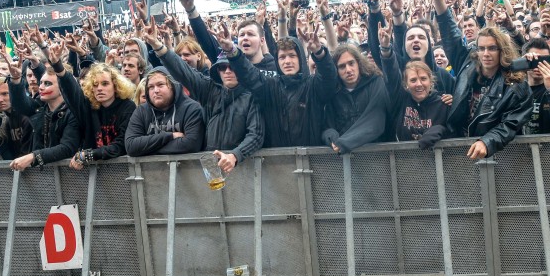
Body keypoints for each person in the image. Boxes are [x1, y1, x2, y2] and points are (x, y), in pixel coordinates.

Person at [427, 0, 532, 159]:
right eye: (482, 48)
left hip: (501, 156)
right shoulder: (466, 65)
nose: (486, 53)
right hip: (462, 152)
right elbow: (448, 26)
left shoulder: (516, 84)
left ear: (502, 51)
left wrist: (487, 141)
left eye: (492, 48)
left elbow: (511, 123)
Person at [141, 18, 264, 171]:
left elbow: (256, 134)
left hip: (243, 167)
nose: (227, 71)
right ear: (217, 70)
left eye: (232, 67)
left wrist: (235, 156)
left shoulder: (253, 95)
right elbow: (183, 71)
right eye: (222, 67)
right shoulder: (209, 90)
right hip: (211, 167)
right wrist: (157, 45)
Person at [219, 18, 338, 148]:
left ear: (301, 59)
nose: (287, 61)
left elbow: (329, 77)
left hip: (313, 161)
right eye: (282, 57)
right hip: (278, 163)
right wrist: (232, 51)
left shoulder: (313, 85)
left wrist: (319, 52)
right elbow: (248, 74)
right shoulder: (269, 86)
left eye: (292, 55)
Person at [48, 43, 135, 168]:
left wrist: (87, 155)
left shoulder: (128, 107)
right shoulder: (88, 107)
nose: (99, 88)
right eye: (95, 85)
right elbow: (72, 92)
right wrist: (58, 66)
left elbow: (120, 146)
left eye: (105, 84)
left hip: (123, 172)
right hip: (94, 174)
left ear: (115, 86)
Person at [378, 24, 450, 148]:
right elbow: (391, 72)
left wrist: (453, 103)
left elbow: (455, 126)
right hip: (404, 162)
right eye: (413, 80)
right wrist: (385, 48)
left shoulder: (443, 102)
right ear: (405, 84)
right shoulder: (400, 100)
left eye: (423, 79)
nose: (419, 84)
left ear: (431, 81)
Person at [8, 65, 81, 171]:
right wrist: (15, 79)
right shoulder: (39, 109)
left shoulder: (74, 112)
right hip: (45, 179)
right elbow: (19, 104)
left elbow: (67, 147)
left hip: (73, 176)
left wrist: (33, 156)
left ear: (63, 87)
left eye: (47, 83)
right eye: (41, 82)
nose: (41, 87)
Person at [321, 44, 389, 153]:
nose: (348, 70)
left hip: (377, 155)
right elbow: (326, 127)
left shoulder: (376, 82)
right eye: (342, 66)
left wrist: (344, 142)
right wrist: (331, 137)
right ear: (336, 70)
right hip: (344, 159)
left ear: (358, 63)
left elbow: (375, 121)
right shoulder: (333, 92)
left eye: (351, 63)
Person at [124, 67, 206, 157]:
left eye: (160, 85)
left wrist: (146, 149)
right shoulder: (141, 111)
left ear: (172, 86)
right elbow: (131, 146)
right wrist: (170, 136)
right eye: (151, 87)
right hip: (150, 170)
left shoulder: (191, 108)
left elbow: (191, 144)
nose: (156, 90)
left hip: (187, 169)